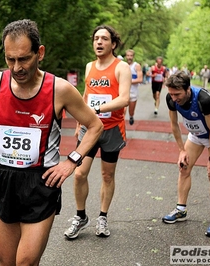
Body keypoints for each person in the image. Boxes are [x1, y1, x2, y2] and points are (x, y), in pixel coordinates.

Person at [0, 19, 103, 265]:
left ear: (39, 53)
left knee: (25, 262)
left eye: (24, 59)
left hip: (41, 182)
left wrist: (71, 161)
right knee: (7, 262)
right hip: (5, 179)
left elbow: (95, 125)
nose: (17, 67)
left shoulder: (59, 90)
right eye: (10, 60)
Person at [64, 25, 130, 239]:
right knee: (79, 173)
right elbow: (86, 93)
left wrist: (97, 109)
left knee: (107, 175)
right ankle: (81, 216)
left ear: (113, 43)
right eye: (96, 39)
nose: (99, 42)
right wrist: (79, 121)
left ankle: (102, 217)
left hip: (112, 129)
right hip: (90, 128)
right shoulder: (89, 66)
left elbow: (124, 99)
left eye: (104, 39)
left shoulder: (122, 67)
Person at [162, 71, 210, 238]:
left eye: (177, 94)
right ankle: (181, 209)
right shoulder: (171, 98)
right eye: (171, 94)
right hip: (196, 134)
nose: (174, 98)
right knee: (183, 168)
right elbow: (174, 125)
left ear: (188, 89)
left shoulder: (203, 99)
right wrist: (182, 150)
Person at [125, 49, 143, 125]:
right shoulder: (123, 65)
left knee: (131, 111)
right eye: (128, 55)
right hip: (124, 92)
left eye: (131, 56)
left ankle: (131, 116)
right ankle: (121, 127)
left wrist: (127, 81)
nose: (129, 57)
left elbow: (140, 79)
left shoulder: (136, 66)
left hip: (133, 92)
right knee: (122, 111)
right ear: (126, 56)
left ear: (133, 56)